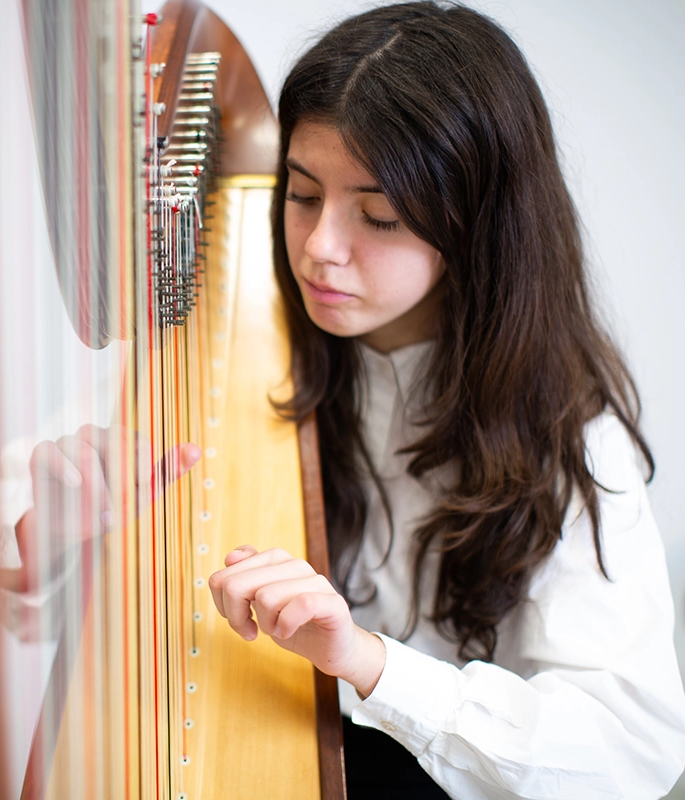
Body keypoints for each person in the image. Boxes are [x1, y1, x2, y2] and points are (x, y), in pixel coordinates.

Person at [207, 2, 685, 798]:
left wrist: (367, 663)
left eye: (379, 215)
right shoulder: (229, 345)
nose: (322, 247)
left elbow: (632, 750)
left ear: (475, 229)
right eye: (300, 195)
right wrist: (52, 538)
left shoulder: (573, 435)